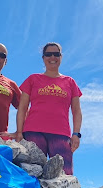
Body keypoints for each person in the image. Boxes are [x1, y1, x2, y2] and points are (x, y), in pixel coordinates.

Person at [14, 42, 82, 175]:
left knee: (64, 174)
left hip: (61, 134)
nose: (52, 57)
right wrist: (19, 132)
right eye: (48, 54)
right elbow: (22, 108)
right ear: (43, 58)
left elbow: (76, 111)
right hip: (33, 132)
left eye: (56, 54)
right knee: (32, 173)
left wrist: (76, 134)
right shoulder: (33, 79)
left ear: (61, 57)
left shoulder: (70, 82)